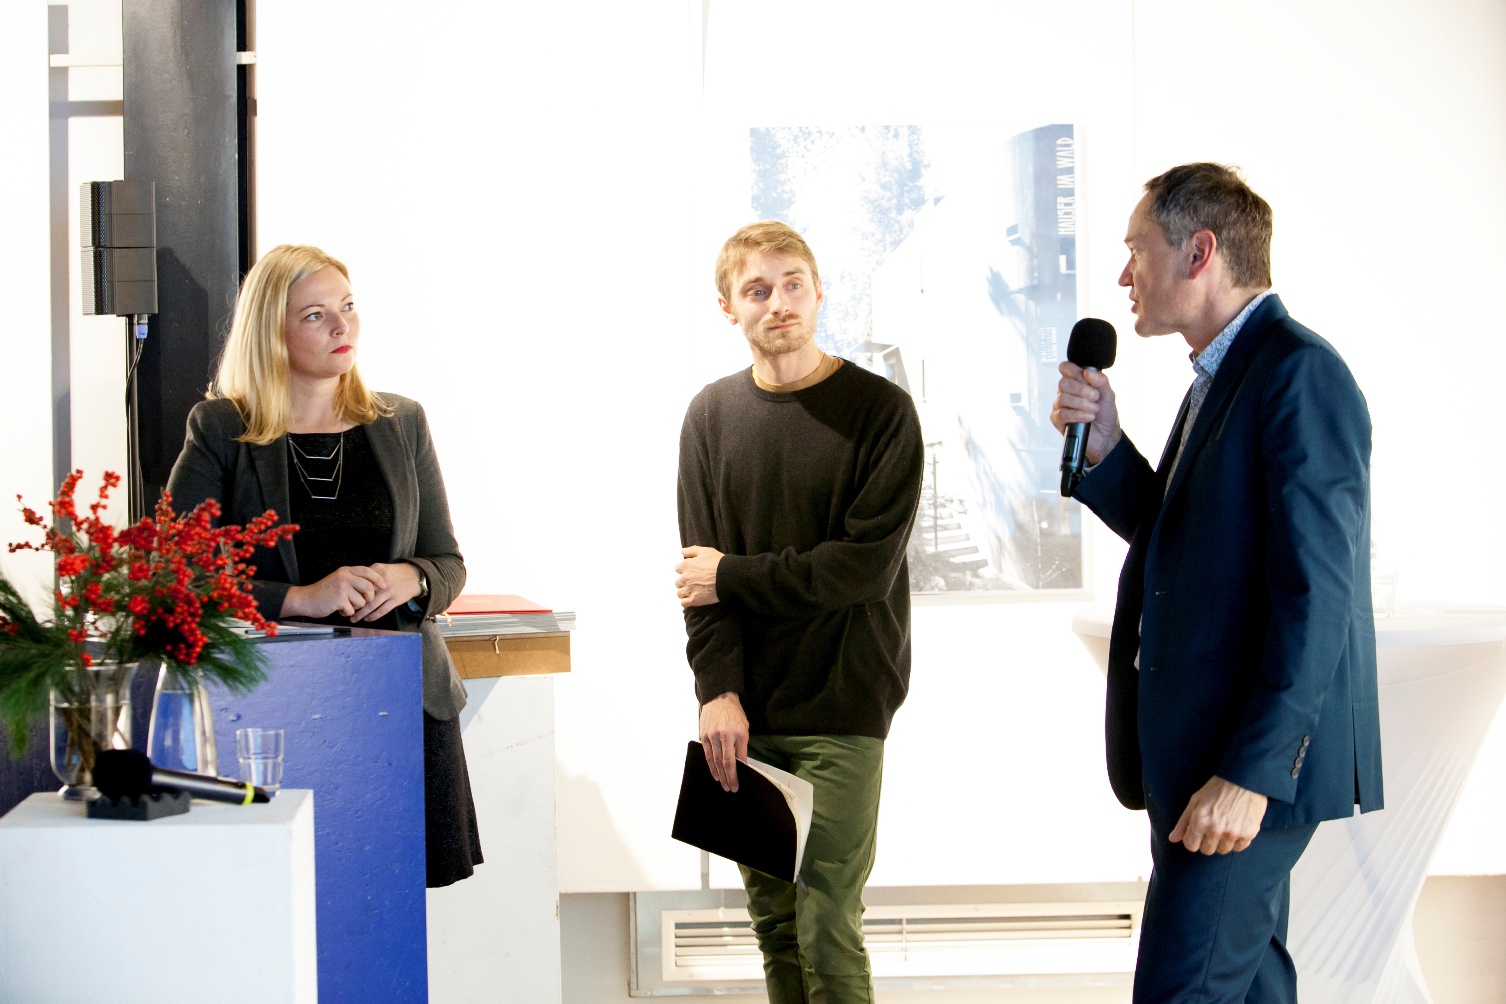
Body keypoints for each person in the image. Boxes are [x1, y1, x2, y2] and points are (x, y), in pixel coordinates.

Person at [1053, 164, 1383, 1002]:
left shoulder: (1298, 372)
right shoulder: (1221, 375)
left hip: (1240, 769)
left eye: (1137, 250)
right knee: (1250, 986)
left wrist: (1252, 774)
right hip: (1201, 757)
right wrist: (1107, 450)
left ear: (1198, 253)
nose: (1124, 275)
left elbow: (1318, 597)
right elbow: (1190, 551)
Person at [166, 244, 482, 888]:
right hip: (275, 704)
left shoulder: (402, 422)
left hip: (401, 698)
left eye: (348, 306)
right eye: (316, 315)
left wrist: (413, 578)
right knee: (284, 893)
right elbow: (178, 576)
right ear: (270, 332)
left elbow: (448, 562)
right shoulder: (221, 429)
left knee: (391, 904)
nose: (343, 326)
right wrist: (299, 597)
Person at [674, 221, 924, 1003]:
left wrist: (733, 576)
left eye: (792, 284)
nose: (777, 302)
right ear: (729, 307)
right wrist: (716, 692)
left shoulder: (881, 411)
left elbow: (861, 569)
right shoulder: (710, 415)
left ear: (819, 292)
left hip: (844, 705)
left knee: (825, 923)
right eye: (757, 290)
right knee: (774, 925)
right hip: (745, 715)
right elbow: (697, 584)